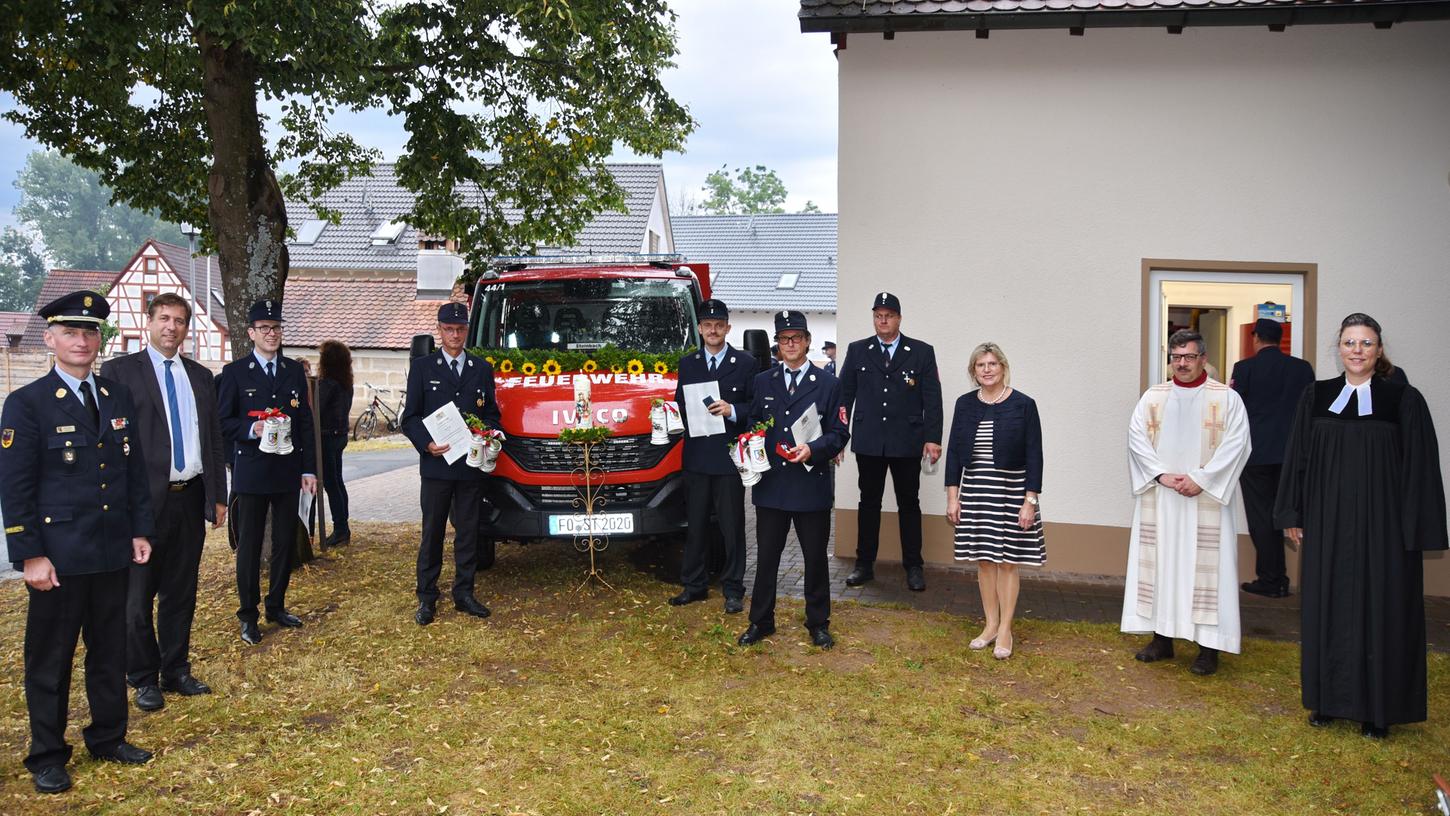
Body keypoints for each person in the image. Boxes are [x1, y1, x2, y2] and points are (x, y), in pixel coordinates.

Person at [0, 291, 155, 794]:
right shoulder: (26, 404)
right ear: (50, 340)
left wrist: (138, 530)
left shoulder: (115, 397)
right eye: (71, 332)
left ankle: (108, 737)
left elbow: (132, 472)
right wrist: (30, 555)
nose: (82, 341)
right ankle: (47, 754)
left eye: (90, 332)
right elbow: (16, 485)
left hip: (111, 550)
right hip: (59, 557)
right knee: (50, 660)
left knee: (109, 652)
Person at [1275, 313, 1447, 739]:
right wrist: (1292, 513)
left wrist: (1415, 529)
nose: (1357, 351)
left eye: (1366, 343)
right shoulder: (1315, 396)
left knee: (1382, 611)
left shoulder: (1403, 399)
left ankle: (1379, 710)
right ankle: (1328, 701)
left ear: (1379, 350)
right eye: (1350, 343)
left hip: (1384, 529)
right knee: (1327, 608)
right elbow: (1297, 457)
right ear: (1339, 348)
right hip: (1328, 523)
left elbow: (1420, 469)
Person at [99, 292, 226, 712]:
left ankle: (176, 669)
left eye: (180, 321)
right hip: (140, 504)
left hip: (188, 499)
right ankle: (143, 676)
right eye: (164, 319)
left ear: (187, 328)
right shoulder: (118, 373)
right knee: (137, 597)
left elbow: (213, 440)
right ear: (149, 321)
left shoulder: (201, 376)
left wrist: (218, 496)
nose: (172, 327)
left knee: (180, 591)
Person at [1122, 329, 1251, 676]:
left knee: (1206, 572)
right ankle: (1161, 638)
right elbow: (1136, 440)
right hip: (1162, 498)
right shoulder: (1153, 397)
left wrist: (1202, 479)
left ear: (1203, 359)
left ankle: (1208, 648)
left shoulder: (1226, 399)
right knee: (1161, 565)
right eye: (1176, 357)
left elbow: (1237, 444)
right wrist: (1162, 476)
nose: (1181, 364)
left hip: (1205, 499)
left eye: (1189, 357)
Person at [737, 310, 850, 650]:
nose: (790, 344)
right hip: (771, 486)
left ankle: (818, 623)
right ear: (777, 344)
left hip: (809, 484)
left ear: (807, 342)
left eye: (796, 338)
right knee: (767, 557)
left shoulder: (828, 384)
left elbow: (840, 432)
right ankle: (761, 621)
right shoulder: (763, 381)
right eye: (784, 339)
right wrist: (750, 443)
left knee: (815, 558)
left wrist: (813, 449)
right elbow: (754, 423)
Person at [216, 299, 317, 645]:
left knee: (284, 542)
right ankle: (248, 614)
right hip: (253, 472)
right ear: (251, 333)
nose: (271, 334)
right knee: (250, 544)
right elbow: (223, 422)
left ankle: (276, 604)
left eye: (276, 328)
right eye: (264, 328)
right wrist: (251, 429)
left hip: (287, 470)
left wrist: (309, 469)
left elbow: (304, 422)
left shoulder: (292, 371)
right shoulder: (235, 374)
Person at [400, 301, 500, 626]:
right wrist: (426, 444)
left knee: (468, 531)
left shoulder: (481, 369)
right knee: (432, 533)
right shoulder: (423, 368)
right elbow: (410, 417)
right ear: (439, 330)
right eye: (448, 329)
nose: (454, 335)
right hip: (437, 466)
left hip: (470, 466)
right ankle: (427, 597)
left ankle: (464, 593)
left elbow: (491, 413)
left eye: (459, 329)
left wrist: (488, 432)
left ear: (466, 330)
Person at [944, 343, 1043, 660]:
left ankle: (1005, 630)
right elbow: (954, 454)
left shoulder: (1024, 405)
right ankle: (990, 625)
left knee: (1007, 562)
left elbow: (1034, 456)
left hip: (1011, 492)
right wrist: (952, 497)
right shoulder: (964, 405)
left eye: (992, 364)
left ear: (1003, 366)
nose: (986, 370)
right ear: (973, 372)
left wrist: (1030, 501)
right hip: (975, 491)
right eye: (980, 365)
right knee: (985, 561)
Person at [839, 292, 943, 591]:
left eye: (888, 315)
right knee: (868, 503)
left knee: (909, 504)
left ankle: (914, 566)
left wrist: (932, 439)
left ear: (899, 318)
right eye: (877, 315)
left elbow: (932, 400)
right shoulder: (858, 350)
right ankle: (864, 564)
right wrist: (840, 436)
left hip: (906, 442)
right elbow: (845, 396)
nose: (882, 320)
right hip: (869, 441)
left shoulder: (921, 352)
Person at [670, 299, 756, 613]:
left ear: (727, 328)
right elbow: (680, 404)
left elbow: (755, 408)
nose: (713, 330)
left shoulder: (745, 363)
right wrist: (666, 414)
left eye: (719, 325)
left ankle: (733, 589)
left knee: (732, 527)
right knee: (696, 526)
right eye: (708, 325)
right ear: (700, 329)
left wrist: (733, 410)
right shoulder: (688, 363)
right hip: (696, 458)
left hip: (728, 458)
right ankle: (694, 586)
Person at [1229, 318, 1314, 598]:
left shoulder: (1245, 368)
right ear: (1279, 338)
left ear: (1256, 338)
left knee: (1261, 517)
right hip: (1292, 454)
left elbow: (1234, 409)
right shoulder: (1302, 369)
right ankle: (1290, 578)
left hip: (1256, 454)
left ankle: (1272, 579)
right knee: (1288, 513)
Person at [316, 340, 354, 548]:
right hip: (339, 435)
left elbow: (317, 410)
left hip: (327, 436)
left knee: (332, 483)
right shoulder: (345, 383)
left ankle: (340, 528)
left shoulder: (328, 384)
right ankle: (343, 527)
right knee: (337, 482)